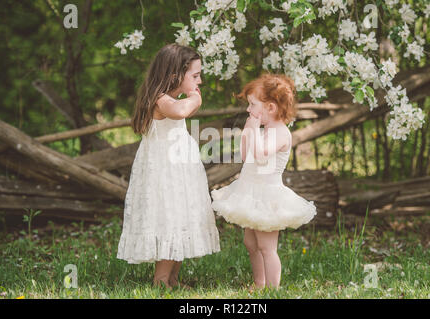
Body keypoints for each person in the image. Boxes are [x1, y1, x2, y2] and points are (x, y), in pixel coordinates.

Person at [117, 43, 220, 289]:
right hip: (165, 172)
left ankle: (173, 278)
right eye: (195, 76)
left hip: (179, 170)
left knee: (180, 216)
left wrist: (191, 94)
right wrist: (195, 97)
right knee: (169, 218)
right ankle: (161, 281)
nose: (200, 81)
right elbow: (181, 111)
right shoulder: (161, 100)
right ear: (175, 75)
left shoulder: (170, 98)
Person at [211, 74, 317, 289]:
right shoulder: (264, 130)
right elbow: (244, 155)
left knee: (267, 247)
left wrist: (251, 131)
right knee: (250, 243)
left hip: (268, 196)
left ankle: (272, 288)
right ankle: (259, 283)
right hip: (250, 192)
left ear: (270, 108)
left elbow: (260, 156)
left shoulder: (280, 133)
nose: (248, 110)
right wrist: (248, 133)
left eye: (252, 105)